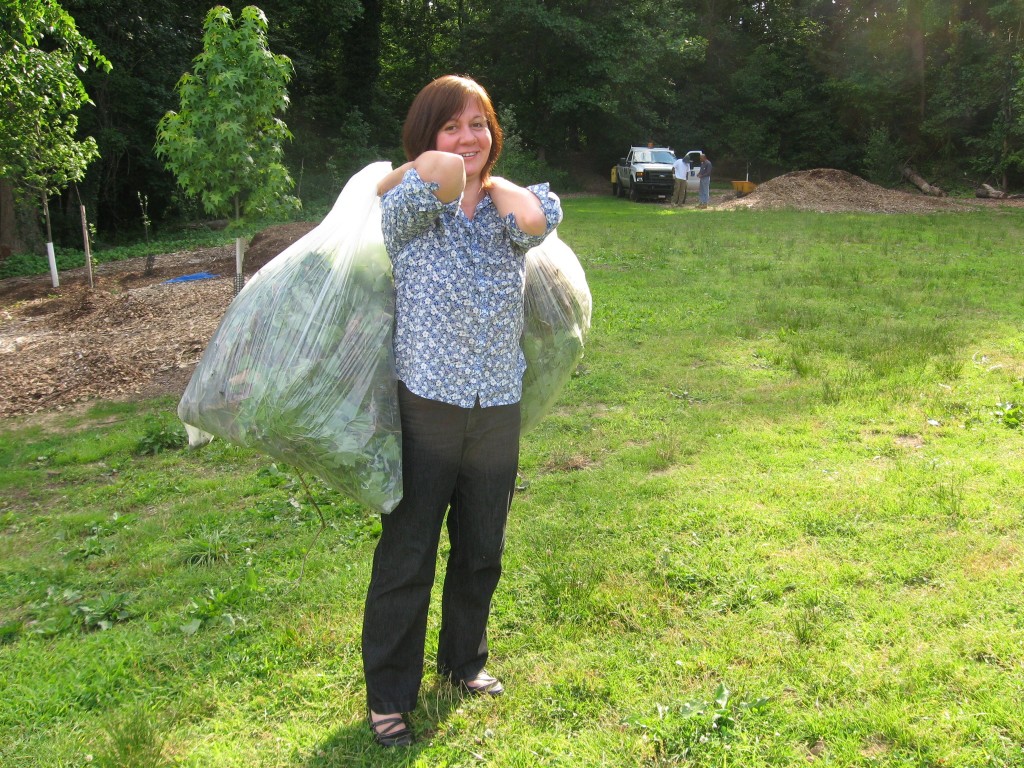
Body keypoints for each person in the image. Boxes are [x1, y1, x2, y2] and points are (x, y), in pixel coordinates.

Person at [365, 74, 563, 748]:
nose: (469, 137)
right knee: (409, 552)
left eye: (479, 123)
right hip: (428, 404)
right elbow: (408, 184)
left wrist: (495, 183)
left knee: (482, 547)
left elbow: (538, 221)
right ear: (426, 138)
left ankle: (462, 663)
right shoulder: (413, 207)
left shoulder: (512, 214)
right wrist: (437, 165)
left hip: (496, 403)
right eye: (451, 125)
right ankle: (389, 695)